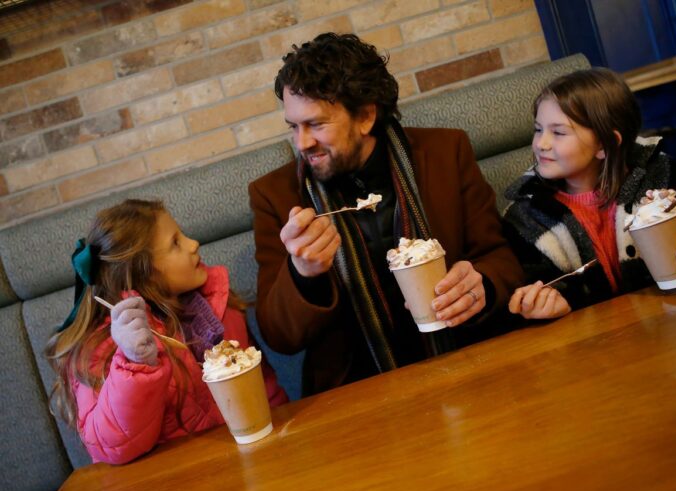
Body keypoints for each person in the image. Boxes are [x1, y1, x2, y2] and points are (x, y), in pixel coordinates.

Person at [249, 33, 524, 395]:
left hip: (469, 363)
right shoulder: (275, 196)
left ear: (365, 116)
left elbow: (501, 259)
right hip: (359, 392)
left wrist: (481, 285)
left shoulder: (445, 153)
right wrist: (303, 275)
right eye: (293, 127)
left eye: (316, 124)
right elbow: (279, 337)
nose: (301, 144)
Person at [45, 199, 288, 465]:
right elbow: (110, 446)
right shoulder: (103, 348)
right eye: (176, 242)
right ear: (143, 272)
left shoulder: (220, 310)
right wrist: (134, 364)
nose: (193, 243)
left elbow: (262, 389)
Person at [503, 67, 676, 320]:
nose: (541, 143)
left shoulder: (662, 175)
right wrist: (552, 301)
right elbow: (537, 285)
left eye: (558, 132)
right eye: (538, 129)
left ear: (605, 145)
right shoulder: (526, 215)